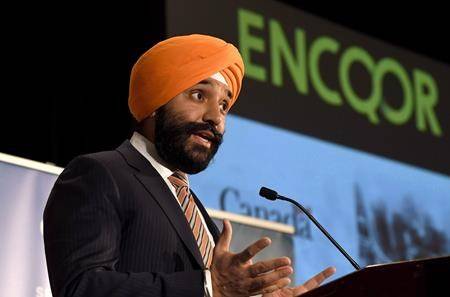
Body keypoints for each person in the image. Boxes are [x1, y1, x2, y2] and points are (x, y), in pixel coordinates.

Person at [43, 34, 335, 297]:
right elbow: (80, 288)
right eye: (199, 95)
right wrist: (209, 287)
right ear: (156, 102)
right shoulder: (100, 174)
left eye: (223, 105)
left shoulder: (190, 205)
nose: (216, 118)